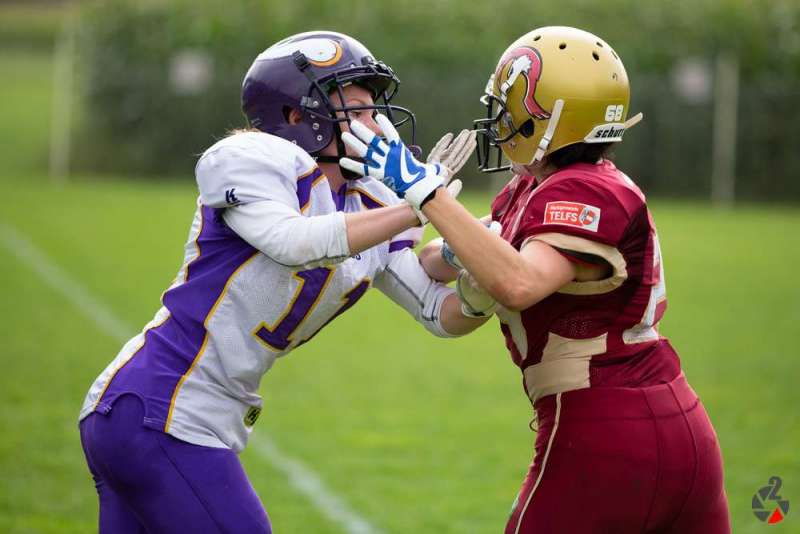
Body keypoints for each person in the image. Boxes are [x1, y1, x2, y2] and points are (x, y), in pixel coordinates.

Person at [78, 30, 486, 534]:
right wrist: (419, 205)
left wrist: (481, 281)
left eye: (375, 110)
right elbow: (293, 241)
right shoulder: (251, 158)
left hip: (167, 414)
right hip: (162, 405)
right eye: (357, 111)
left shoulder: (368, 202)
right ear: (296, 116)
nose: (376, 125)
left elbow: (437, 312)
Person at [341, 26, 731, 534]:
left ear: (547, 117)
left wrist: (426, 193)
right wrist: (449, 240)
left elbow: (520, 283)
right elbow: (441, 260)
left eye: (508, 108)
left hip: (605, 428)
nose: (498, 121)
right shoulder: (535, 187)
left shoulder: (584, 189)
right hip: (673, 424)